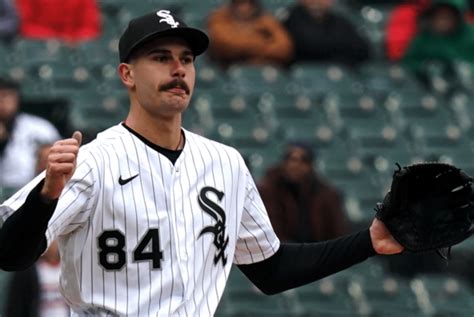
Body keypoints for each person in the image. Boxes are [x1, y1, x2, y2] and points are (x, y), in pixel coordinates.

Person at [0, 9, 402, 316]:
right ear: (127, 74)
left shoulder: (225, 162)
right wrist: (47, 195)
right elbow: (10, 255)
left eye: (187, 59)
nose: (178, 69)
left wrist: (368, 242)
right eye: (161, 57)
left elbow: (272, 270)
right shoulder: (93, 163)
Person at [258, 142, 348, 243]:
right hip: (282, 253)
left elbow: (337, 233)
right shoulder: (269, 190)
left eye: (303, 160)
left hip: (318, 253)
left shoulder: (326, 195)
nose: (294, 165)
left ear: (311, 165)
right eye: (289, 159)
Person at [0, 78, 60, 189]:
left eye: (7, 96)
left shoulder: (39, 127)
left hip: (32, 192)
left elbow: (58, 162)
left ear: (17, 99)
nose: (2, 101)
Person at [207, 0, 293, 68]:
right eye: (240, 3)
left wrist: (247, 44)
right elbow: (226, 44)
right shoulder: (220, 17)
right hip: (228, 70)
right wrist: (260, 41)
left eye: (249, 3)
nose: (245, 7)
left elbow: (284, 48)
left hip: (263, 68)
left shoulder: (266, 20)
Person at [282, 0, 371, 65]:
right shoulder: (291, 19)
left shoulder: (339, 21)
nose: (316, 2)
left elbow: (363, 50)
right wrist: (340, 50)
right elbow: (310, 45)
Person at [403, 0, 474, 79]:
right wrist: (425, 66)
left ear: (459, 18)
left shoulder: (470, 36)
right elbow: (410, 62)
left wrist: (466, 69)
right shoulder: (424, 38)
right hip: (433, 83)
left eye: (448, 17)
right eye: (439, 17)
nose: (443, 22)